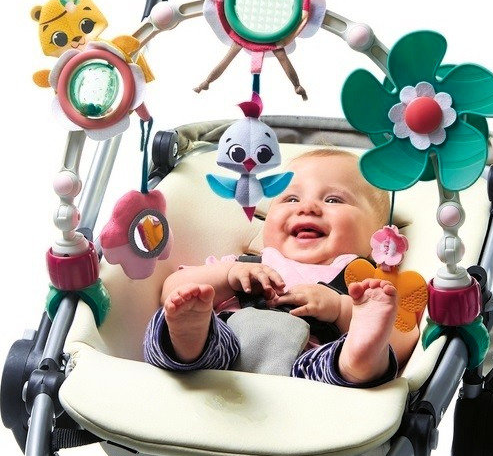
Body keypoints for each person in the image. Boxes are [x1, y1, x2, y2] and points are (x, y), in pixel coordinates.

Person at [143, 150, 419, 387]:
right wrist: (227, 277)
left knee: (343, 361)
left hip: (308, 370)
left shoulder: (362, 286)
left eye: (333, 200)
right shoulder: (243, 265)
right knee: (180, 321)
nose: (307, 207)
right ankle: (190, 339)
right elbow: (172, 290)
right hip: (223, 354)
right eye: (291, 199)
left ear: (377, 235)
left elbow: (403, 340)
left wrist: (341, 309)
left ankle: (356, 361)